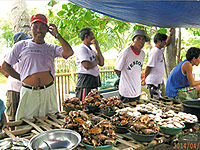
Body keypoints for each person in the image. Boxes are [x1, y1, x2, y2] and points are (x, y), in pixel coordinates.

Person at [2, 14, 73, 121]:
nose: (38, 30)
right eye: (35, 27)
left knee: (51, 120)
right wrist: (21, 77)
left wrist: (57, 35)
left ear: (47, 29)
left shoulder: (51, 48)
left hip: (48, 91)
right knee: (24, 123)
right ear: (31, 29)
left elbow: (69, 52)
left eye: (42, 27)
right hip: (28, 92)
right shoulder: (21, 45)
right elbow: (5, 66)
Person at [0, 32, 32, 124]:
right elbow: (2, 65)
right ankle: (13, 136)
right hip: (13, 88)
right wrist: (10, 76)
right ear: (17, 42)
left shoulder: (28, 54)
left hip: (26, 89)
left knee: (25, 115)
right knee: (12, 115)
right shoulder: (9, 53)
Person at [114, 29, 150, 103]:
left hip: (137, 91)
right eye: (139, 39)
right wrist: (125, 80)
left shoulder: (142, 54)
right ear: (133, 40)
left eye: (143, 39)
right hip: (126, 93)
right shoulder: (126, 52)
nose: (141, 41)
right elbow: (117, 69)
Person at [74, 27, 104, 101]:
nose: (94, 37)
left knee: (93, 105)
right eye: (92, 35)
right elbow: (87, 65)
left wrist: (97, 47)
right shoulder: (82, 48)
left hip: (93, 81)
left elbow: (102, 63)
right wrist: (96, 61)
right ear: (86, 36)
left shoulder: (92, 50)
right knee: (84, 105)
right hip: (86, 82)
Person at [144, 28, 174, 98]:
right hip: (153, 82)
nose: (164, 43)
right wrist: (145, 78)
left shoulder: (159, 50)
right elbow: (149, 66)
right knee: (154, 101)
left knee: (158, 99)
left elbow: (166, 43)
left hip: (157, 82)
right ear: (158, 41)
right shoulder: (155, 51)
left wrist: (170, 34)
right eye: (163, 41)